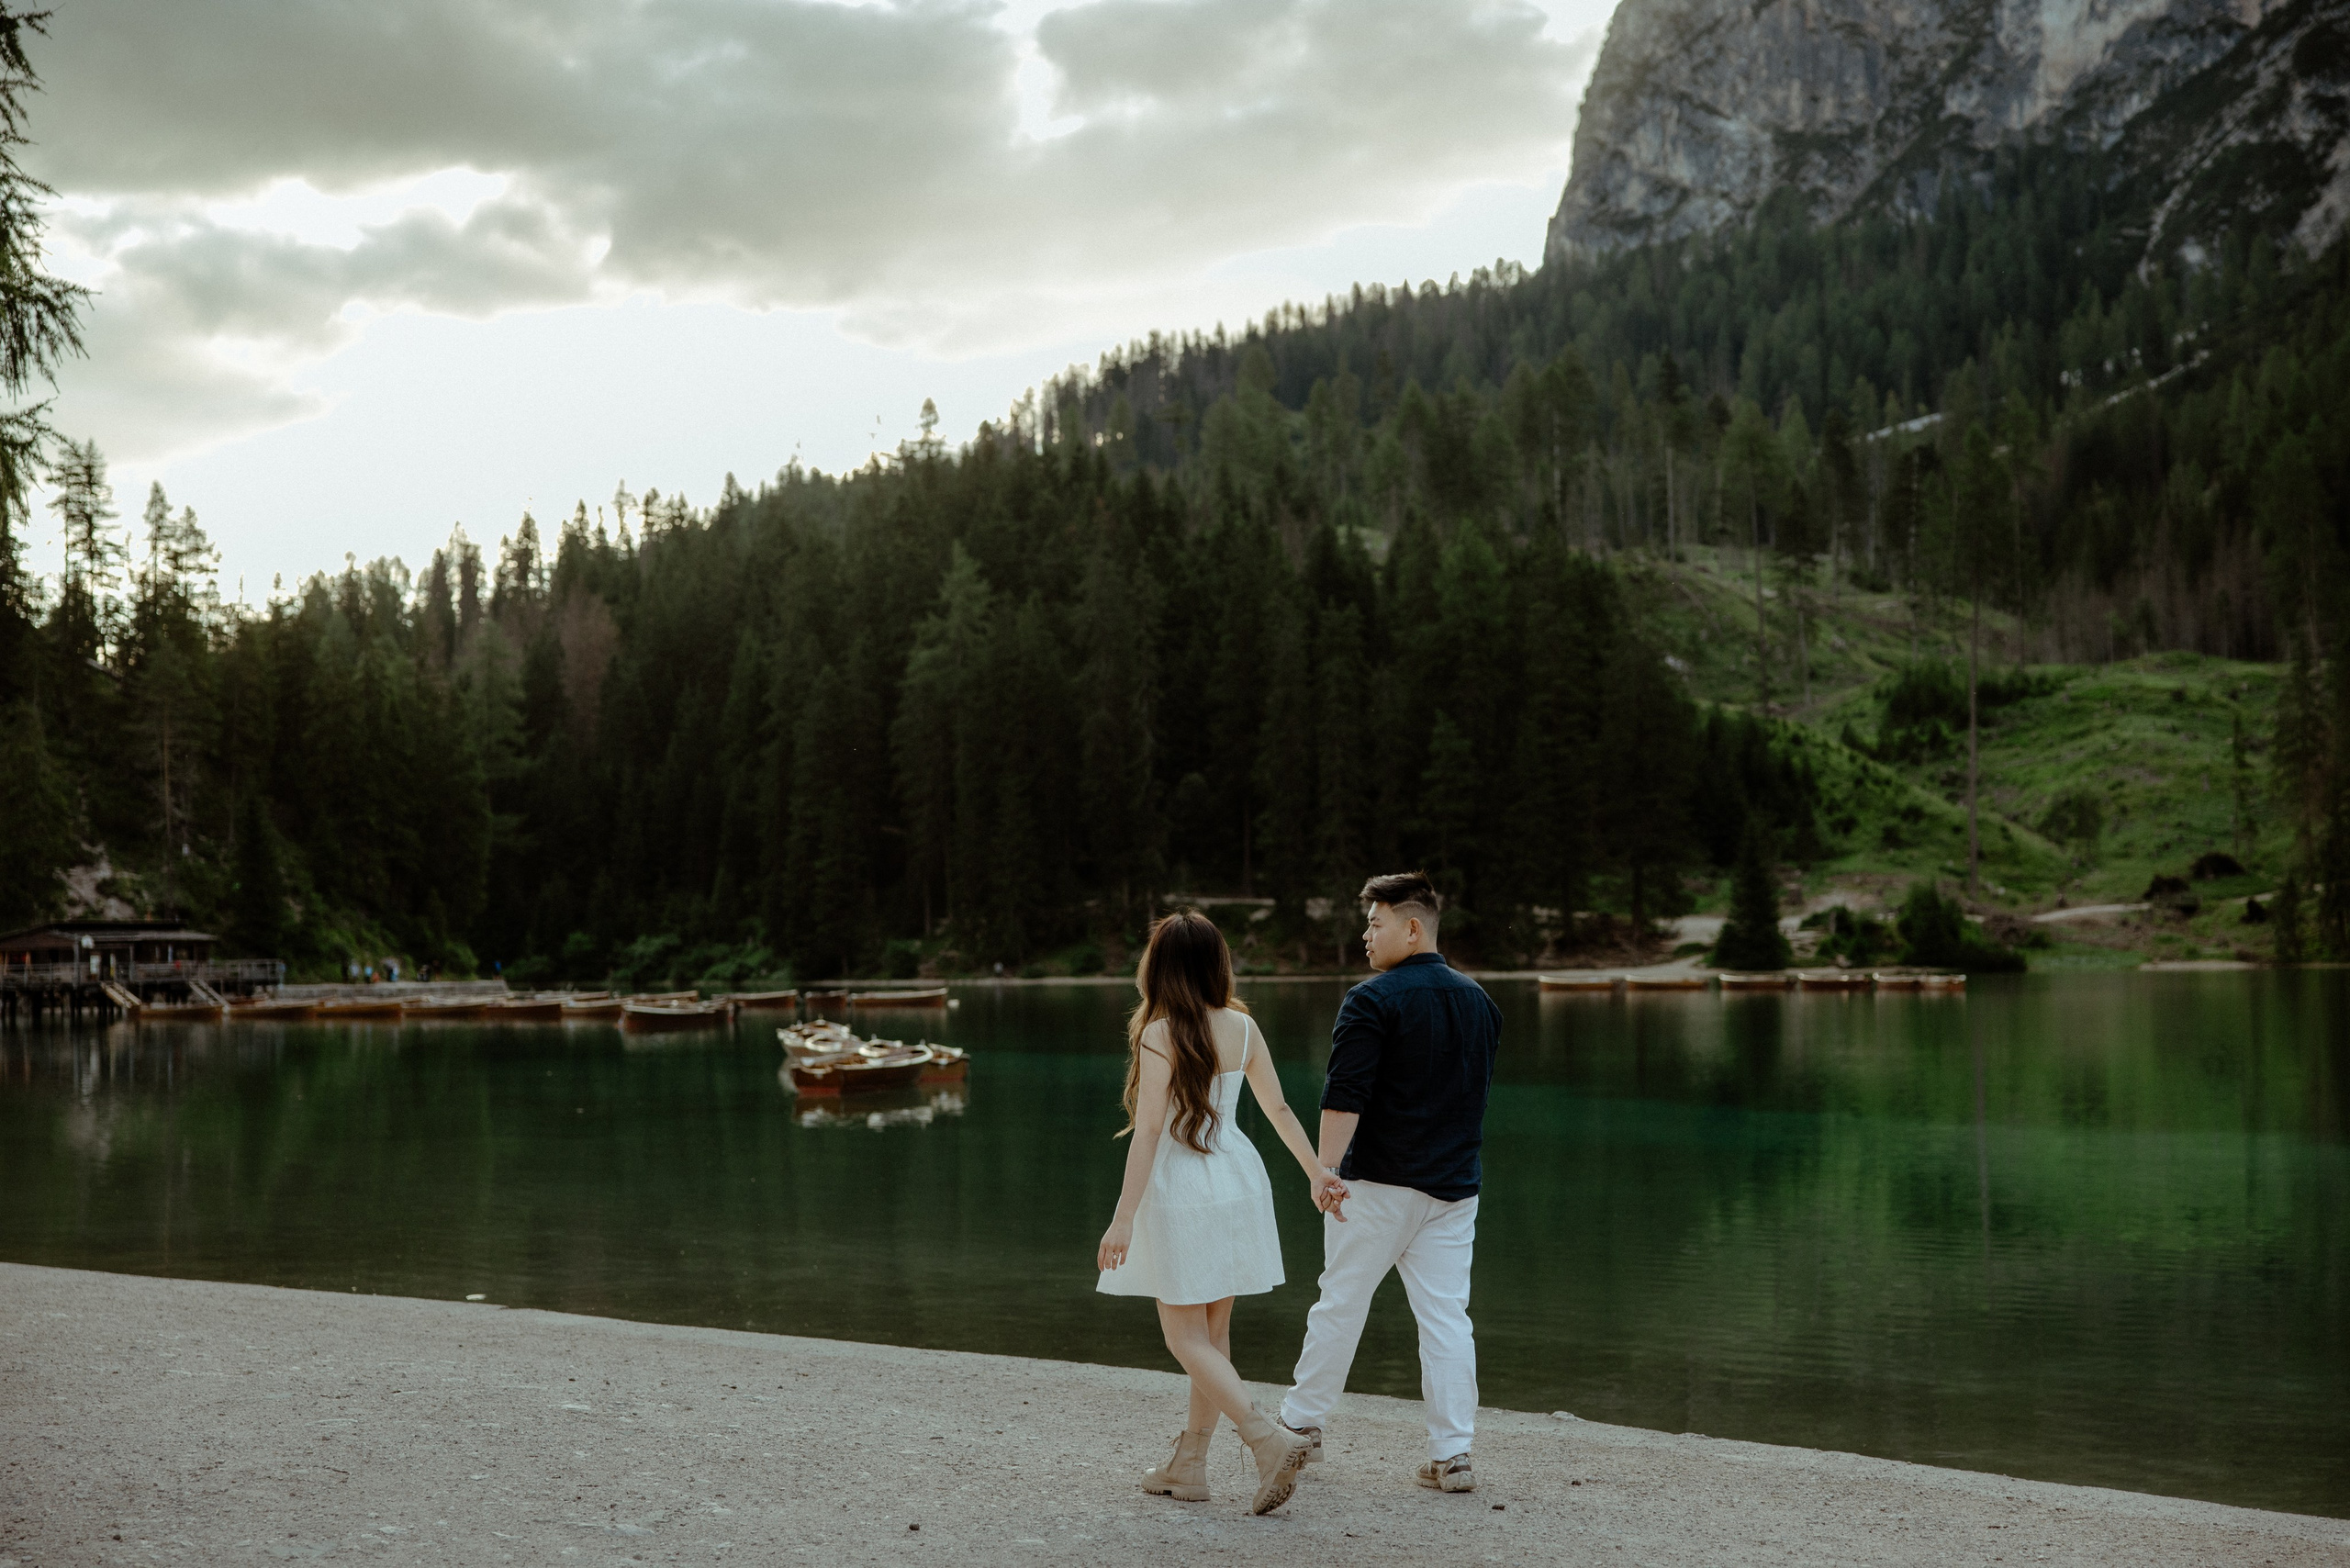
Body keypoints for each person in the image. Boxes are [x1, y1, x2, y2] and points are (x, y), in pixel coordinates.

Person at [1096, 910, 1345, 1516]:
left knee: (1184, 1336)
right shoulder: (1242, 1027)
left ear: (1160, 967)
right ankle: (1190, 1466)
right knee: (1212, 1333)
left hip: (1183, 1183)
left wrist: (1123, 1216)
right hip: (1237, 1177)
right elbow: (1281, 1109)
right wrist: (1317, 1172)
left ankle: (1266, 1438)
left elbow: (1151, 1131)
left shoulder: (1160, 1032)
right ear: (1215, 965)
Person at [1278, 870, 1501, 1495]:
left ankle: (1300, 1429)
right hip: (1455, 1189)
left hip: (1375, 1184)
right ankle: (1453, 1454)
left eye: (1375, 924)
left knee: (1341, 1302)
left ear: (1411, 927)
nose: (1365, 936)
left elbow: (1343, 1096)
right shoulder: (1482, 1002)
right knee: (1448, 1319)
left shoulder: (1371, 1000)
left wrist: (1325, 1170)